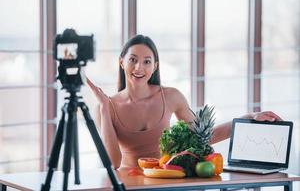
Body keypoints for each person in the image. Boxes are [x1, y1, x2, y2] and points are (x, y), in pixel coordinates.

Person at [86, 34, 282, 169]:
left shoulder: (171, 96)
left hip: (166, 180)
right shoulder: (107, 107)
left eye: (147, 61)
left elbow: (203, 138)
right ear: (122, 62)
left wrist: (247, 119)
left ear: (155, 66)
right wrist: (104, 107)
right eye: (133, 60)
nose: (139, 67)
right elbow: (113, 163)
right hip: (128, 185)